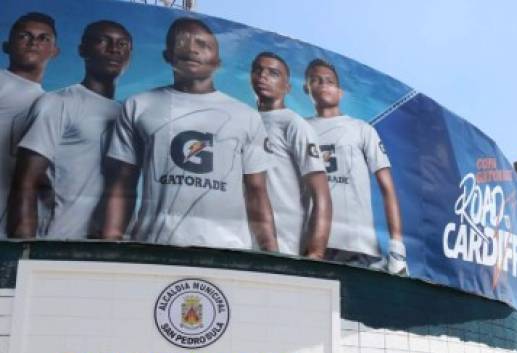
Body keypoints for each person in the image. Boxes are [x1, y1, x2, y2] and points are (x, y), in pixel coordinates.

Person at [101, 17, 277, 251]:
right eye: (182, 41)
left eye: (203, 45)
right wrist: (110, 243)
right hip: (152, 248)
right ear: (168, 55)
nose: (192, 49)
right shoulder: (138, 105)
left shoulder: (245, 116)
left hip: (227, 250)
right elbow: (122, 183)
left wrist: (271, 251)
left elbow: (256, 191)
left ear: (218, 62)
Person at [9, 20, 132, 239]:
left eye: (122, 44)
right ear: (82, 50)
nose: (114, 49)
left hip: (106, 250)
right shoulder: (58, 102)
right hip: (57, 244)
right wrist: (24, 252)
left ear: (129, 57)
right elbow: (25, 182)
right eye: (104, 41)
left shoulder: (128, 114)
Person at [303, 58, 407, 274]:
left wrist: (397, 248)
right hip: (311, 246)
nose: (323, 84)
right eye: (316, 80)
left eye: (329, 81)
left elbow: (387, 188)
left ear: (340, 92)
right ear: (307, 88)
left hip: (359, 247)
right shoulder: (299, 128)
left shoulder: (361, 129)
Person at [250, 51, 331, 258]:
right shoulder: (244, 121)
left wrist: (315, 254)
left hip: (285, 249)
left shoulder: (293, 124)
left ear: (287, 87)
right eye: (258, 70)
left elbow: (321, 195)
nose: (263, 76)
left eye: (273, 73)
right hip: (243, 243)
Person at [0, 12, 59, 238]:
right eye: (25, 36)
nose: (34, 41)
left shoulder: (51, 102)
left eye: (44, 38)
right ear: (7, 46)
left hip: (14, 226)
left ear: (55, 51)